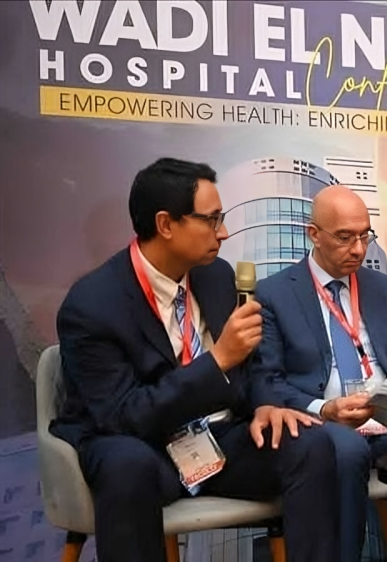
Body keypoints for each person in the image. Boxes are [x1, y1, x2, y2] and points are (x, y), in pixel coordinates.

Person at [50, 158, 342, 562]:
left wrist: (265, 404)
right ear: (166, 224)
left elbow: (252, 364)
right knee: (125, 466)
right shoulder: (92, 304)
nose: (223, 232)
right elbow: (122, 415)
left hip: (217, 440)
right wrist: (217, 360)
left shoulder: (216, 276)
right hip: (143, 445)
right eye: (211, 220)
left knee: (308, 444)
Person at [253, 185, 387, 561]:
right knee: (344, 448)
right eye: (345, 238)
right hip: (325, 425)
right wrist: (325, 409)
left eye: (365, 236)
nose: (359, 249)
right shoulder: (274, 294)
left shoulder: (385, 290)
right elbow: (268, 382)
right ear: (314, 234)